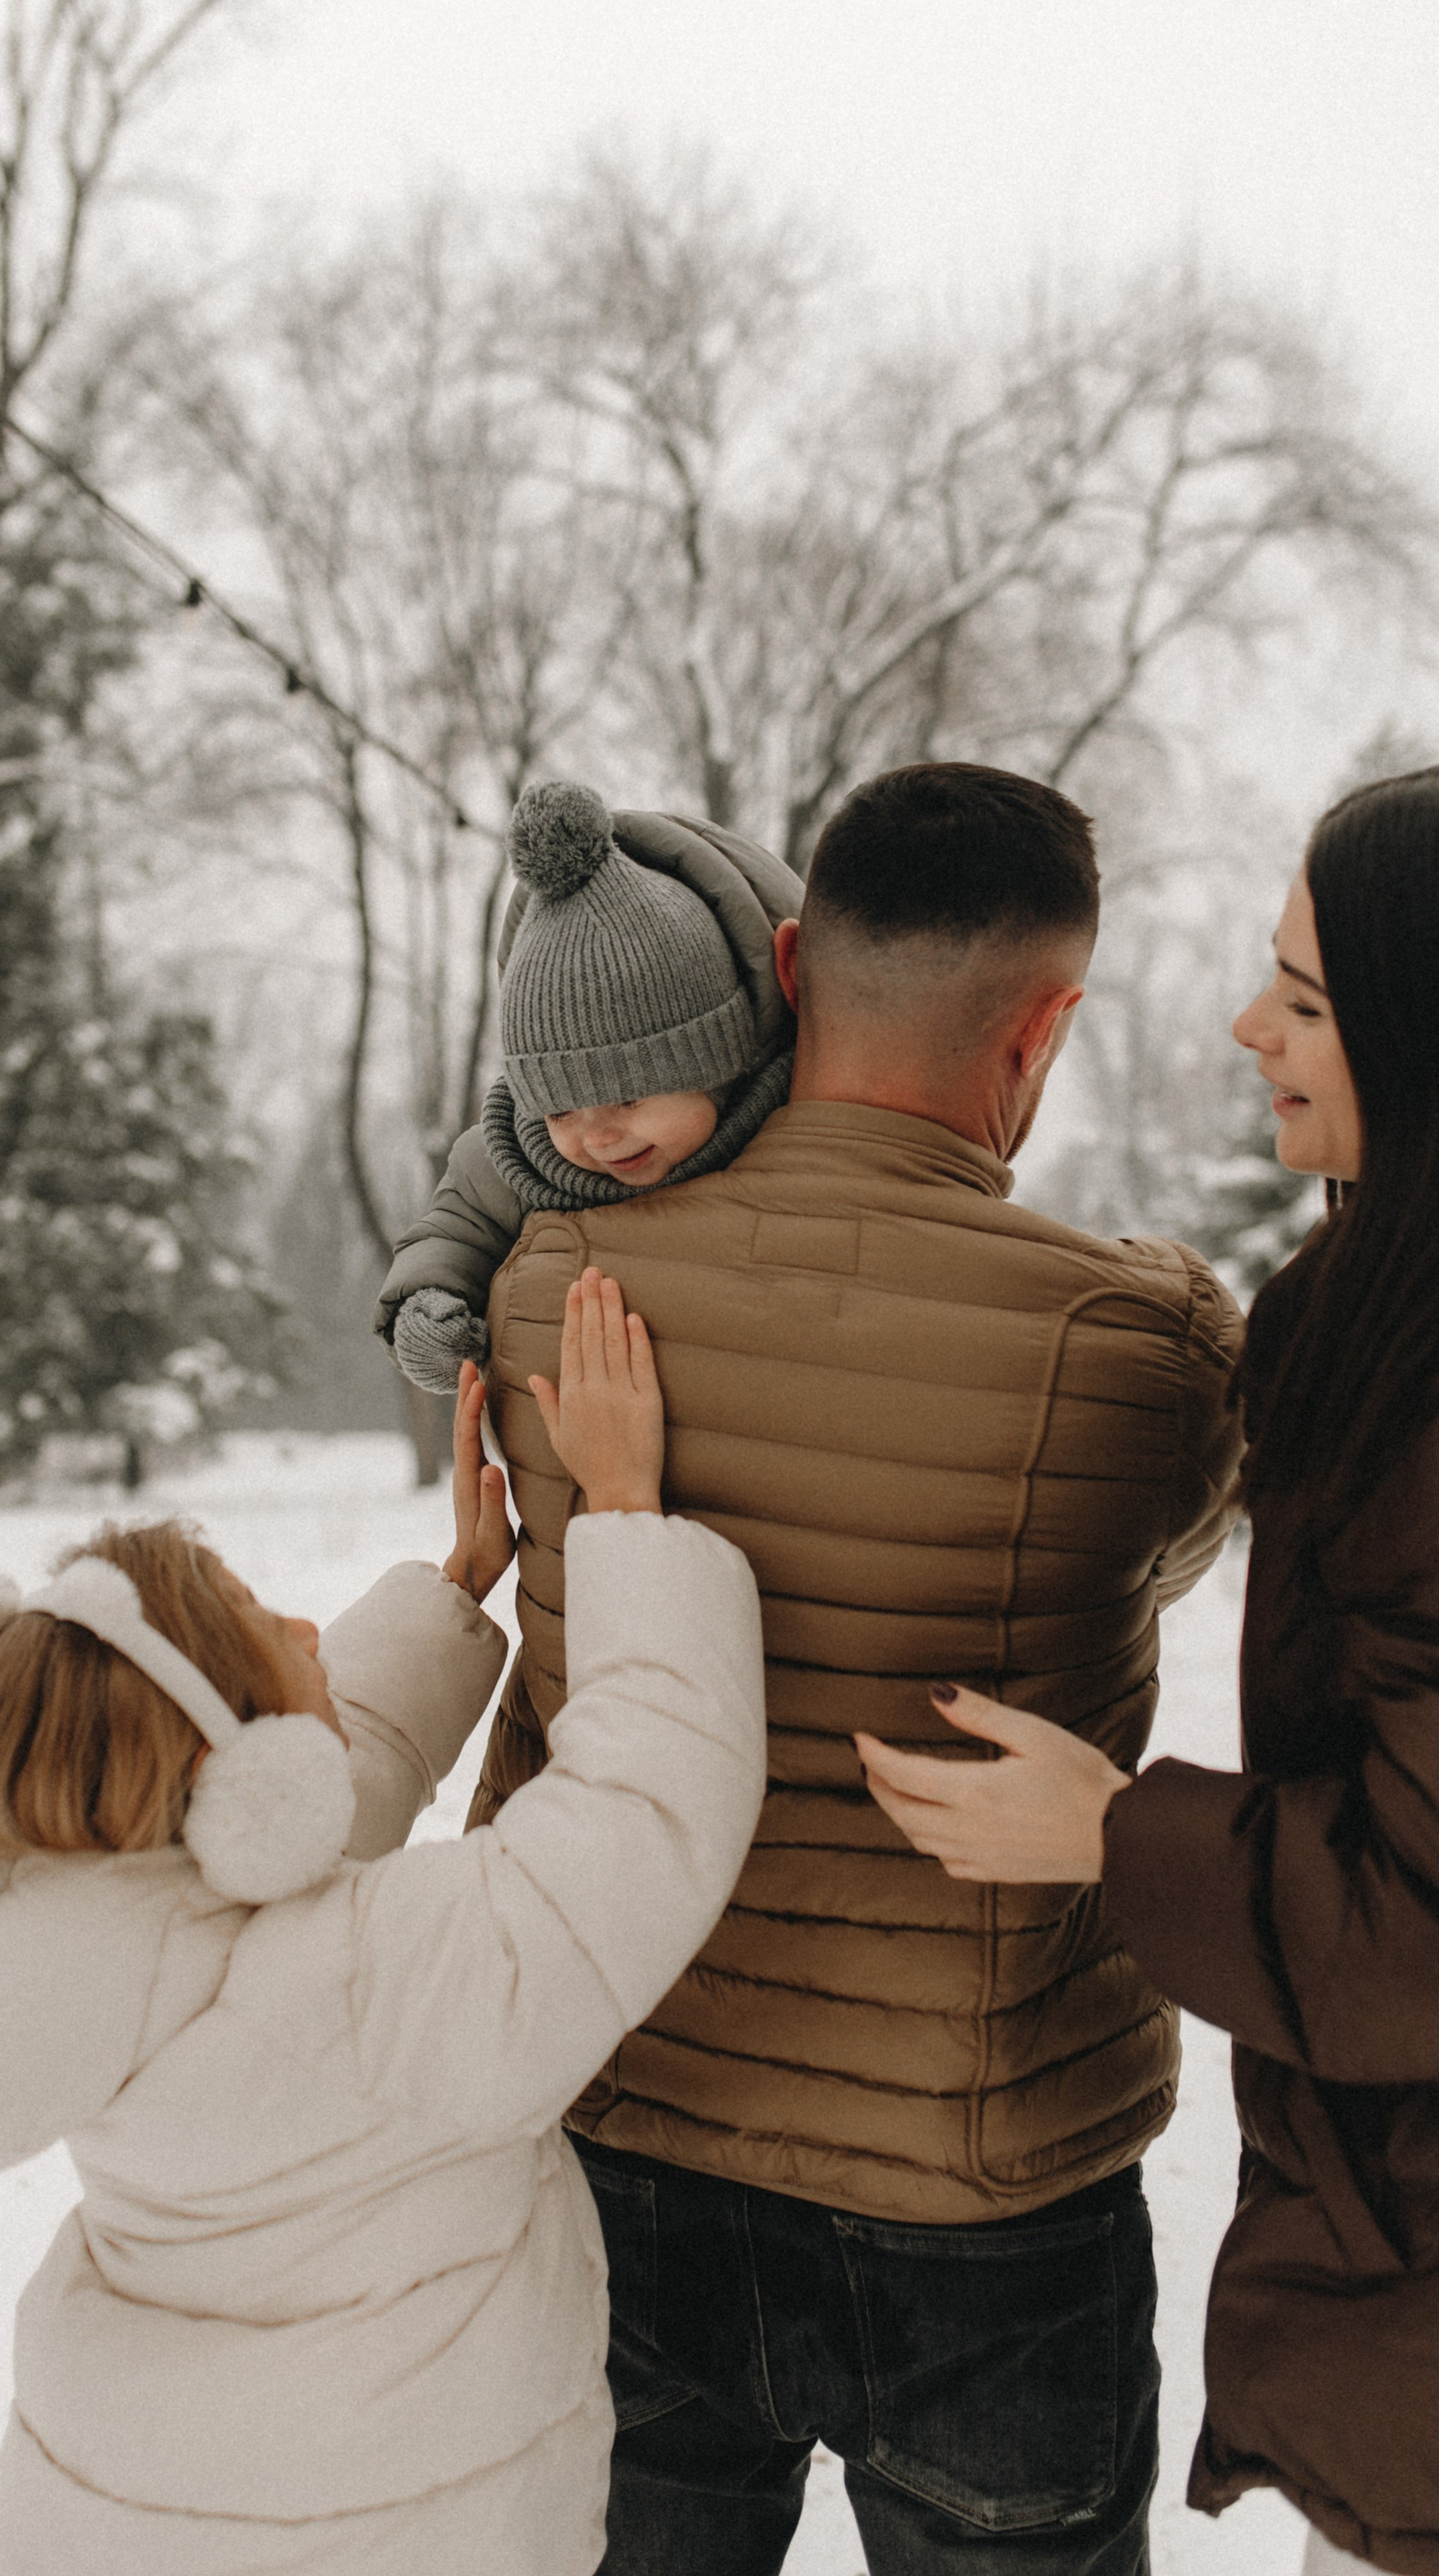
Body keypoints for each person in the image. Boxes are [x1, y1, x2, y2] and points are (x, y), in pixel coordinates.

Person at [471, 760, 1247, 2575]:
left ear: (788, 965)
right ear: (1045, 1025)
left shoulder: (549, 1288)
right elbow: (1179, 1550)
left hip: (629, 2142)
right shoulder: (1137, 1343)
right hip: (983, 2196)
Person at [0, 1277, 768, 2576]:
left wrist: (454, 1594)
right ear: (236, 1774)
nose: (302, 1624)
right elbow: (640, 1818)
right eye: (257, 1623)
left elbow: (283, 1848)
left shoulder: (97, 1953)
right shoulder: (372, 1986)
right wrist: (621, 1513)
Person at [857, 767, 1439, 2576]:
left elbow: (1421, 1913)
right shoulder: (1360, 1310)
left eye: (1309, 999)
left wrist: (1110, 1834)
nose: (1247, 1024)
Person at [375, 777, 804, 1392]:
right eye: (560, 1109)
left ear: (719, 1067)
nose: (597, 1136)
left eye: (629, 1097)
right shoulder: (512, 1160)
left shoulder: (790, 1127)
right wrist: (428, 1308)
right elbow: (453, 1232)